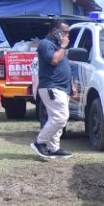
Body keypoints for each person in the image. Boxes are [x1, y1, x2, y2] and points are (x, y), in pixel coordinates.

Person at [32, 19, 75, 160]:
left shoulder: (58, 46)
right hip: (52, 87)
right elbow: (54, 61)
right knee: (60, 117)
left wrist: (71, 84)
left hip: (62, 87)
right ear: (55, 30)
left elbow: (64, 65)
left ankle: (53, 147)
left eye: (68, 32)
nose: (67, 35)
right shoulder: (46, 44)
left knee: (55, 118)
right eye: (64, 32)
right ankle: (40, 142)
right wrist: (63, 46)